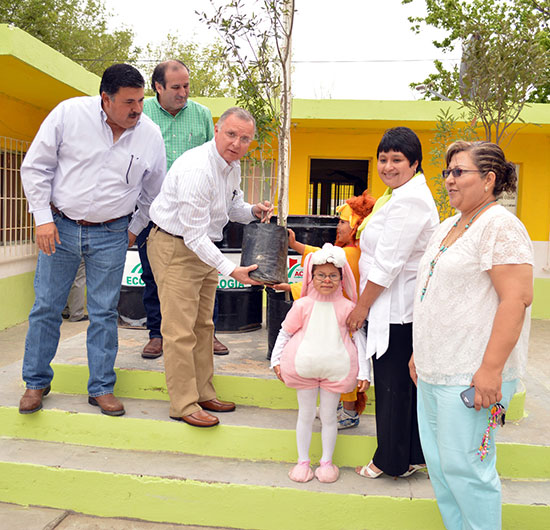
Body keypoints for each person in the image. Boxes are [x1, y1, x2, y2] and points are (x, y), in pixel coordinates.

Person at [18, 64, 166, 417]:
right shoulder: (69, 115)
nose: (137, 109)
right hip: (60, 227)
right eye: (129, 102)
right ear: (105, 98)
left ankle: (101, 387)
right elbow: (35, 167)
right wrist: (42, 219)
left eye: (141, 101)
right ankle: (35, 382)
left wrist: (133, 229)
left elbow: (154, 193)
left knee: (103, 313)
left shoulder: (150, 135)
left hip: (113, 233)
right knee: (46, 308)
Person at [410, 141, 533, 529]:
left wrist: (491, 370)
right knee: (444, 470)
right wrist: (419, 351)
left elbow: (516, 299)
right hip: (434, 370)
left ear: (489, 179)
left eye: (459, 171)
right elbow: (434, 292)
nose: (449, 179)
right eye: (447, 172)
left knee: (470, 473)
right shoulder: (450, 225)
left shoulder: (501, 225)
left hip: (471, 376)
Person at [147, 107, 273, 428]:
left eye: (245, 139)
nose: (237, 143)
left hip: (202, 247)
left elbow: (232, 207)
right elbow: (193, 235)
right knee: (179, 331)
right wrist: (231, 270)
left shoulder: (232, 166)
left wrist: (253, 210)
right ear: (217, 130)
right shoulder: (196, 169)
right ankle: (184, 403)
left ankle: (204, 392)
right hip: (176, 246)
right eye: (231, 134)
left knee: (203, 326)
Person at [347, 126, 439, 478]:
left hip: (397, 309)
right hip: (394, 305)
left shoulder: (410, 199)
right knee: (403, 387)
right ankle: (413, 455)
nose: (387, 166)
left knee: (393, 387)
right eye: (383, 159)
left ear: (414, 163)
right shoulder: (397, 195)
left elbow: (388, 263)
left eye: (397, 160)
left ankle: (390, 461)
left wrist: (361, 307)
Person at [139, 59, 229, 358]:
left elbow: (215, 158)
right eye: (175, 87)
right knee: (153, 275)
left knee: (206, 273)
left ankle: (208, 334)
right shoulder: (143, 113)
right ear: (158, 87)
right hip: (155, 213)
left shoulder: (202, 115)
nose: (183, 92)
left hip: (198, 212)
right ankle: (157, 334)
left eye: (186, 86)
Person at [274, 190, 376, 428]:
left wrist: (290, 286)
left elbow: (321, 265)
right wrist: (296, 244)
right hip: (343, 314)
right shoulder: (352, 250)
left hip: (345, 317)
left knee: (344, 363)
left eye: (343, 221)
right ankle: (342, 407)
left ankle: (349, 412)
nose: (338, 226)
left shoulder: (350, 253)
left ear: (356, 225)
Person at [270, 244, 370, 483]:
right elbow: (284, 332)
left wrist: (365, 372)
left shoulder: (348, 308)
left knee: (328, 417)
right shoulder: (302, 305)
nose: (327, 280)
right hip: (304, 369)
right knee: (305, 415)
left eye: (333, 275)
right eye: (321, 275)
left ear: (342, 277)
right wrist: (275, 360)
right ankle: (302, 461)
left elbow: (360, 339)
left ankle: (327, 461)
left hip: (335, 372)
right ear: (311, 277)